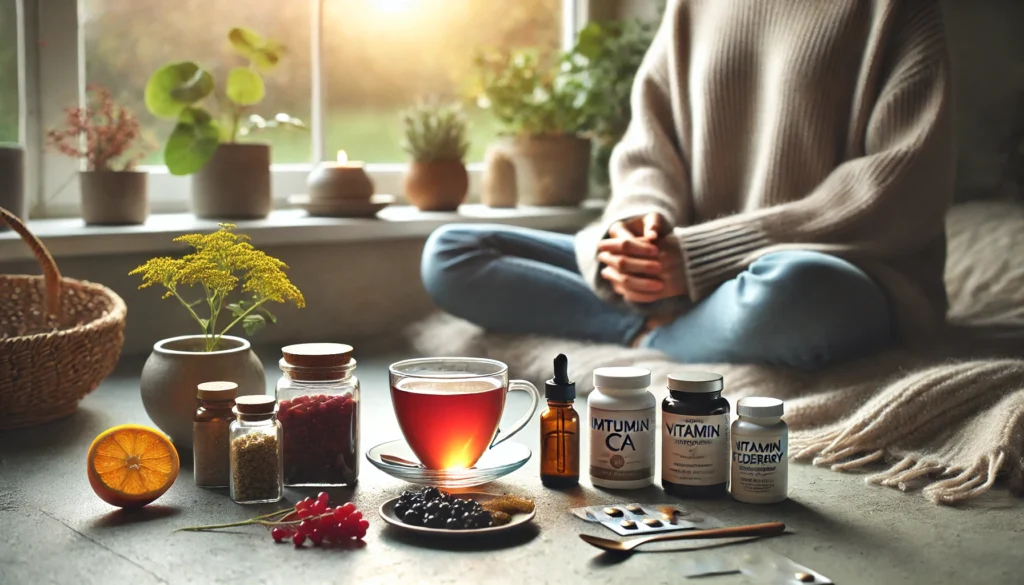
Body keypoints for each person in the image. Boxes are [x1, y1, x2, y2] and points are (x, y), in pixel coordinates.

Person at [420, 0, 954, 370]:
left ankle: (661, 334)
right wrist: (638, 230)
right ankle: (667, 331)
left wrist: (704, 255)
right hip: (679, 270)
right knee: (454, 252)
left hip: (822, 276)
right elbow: (649, 149)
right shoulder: (691, 6)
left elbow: (903, 183)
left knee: (800, 293)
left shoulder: (897, 9)